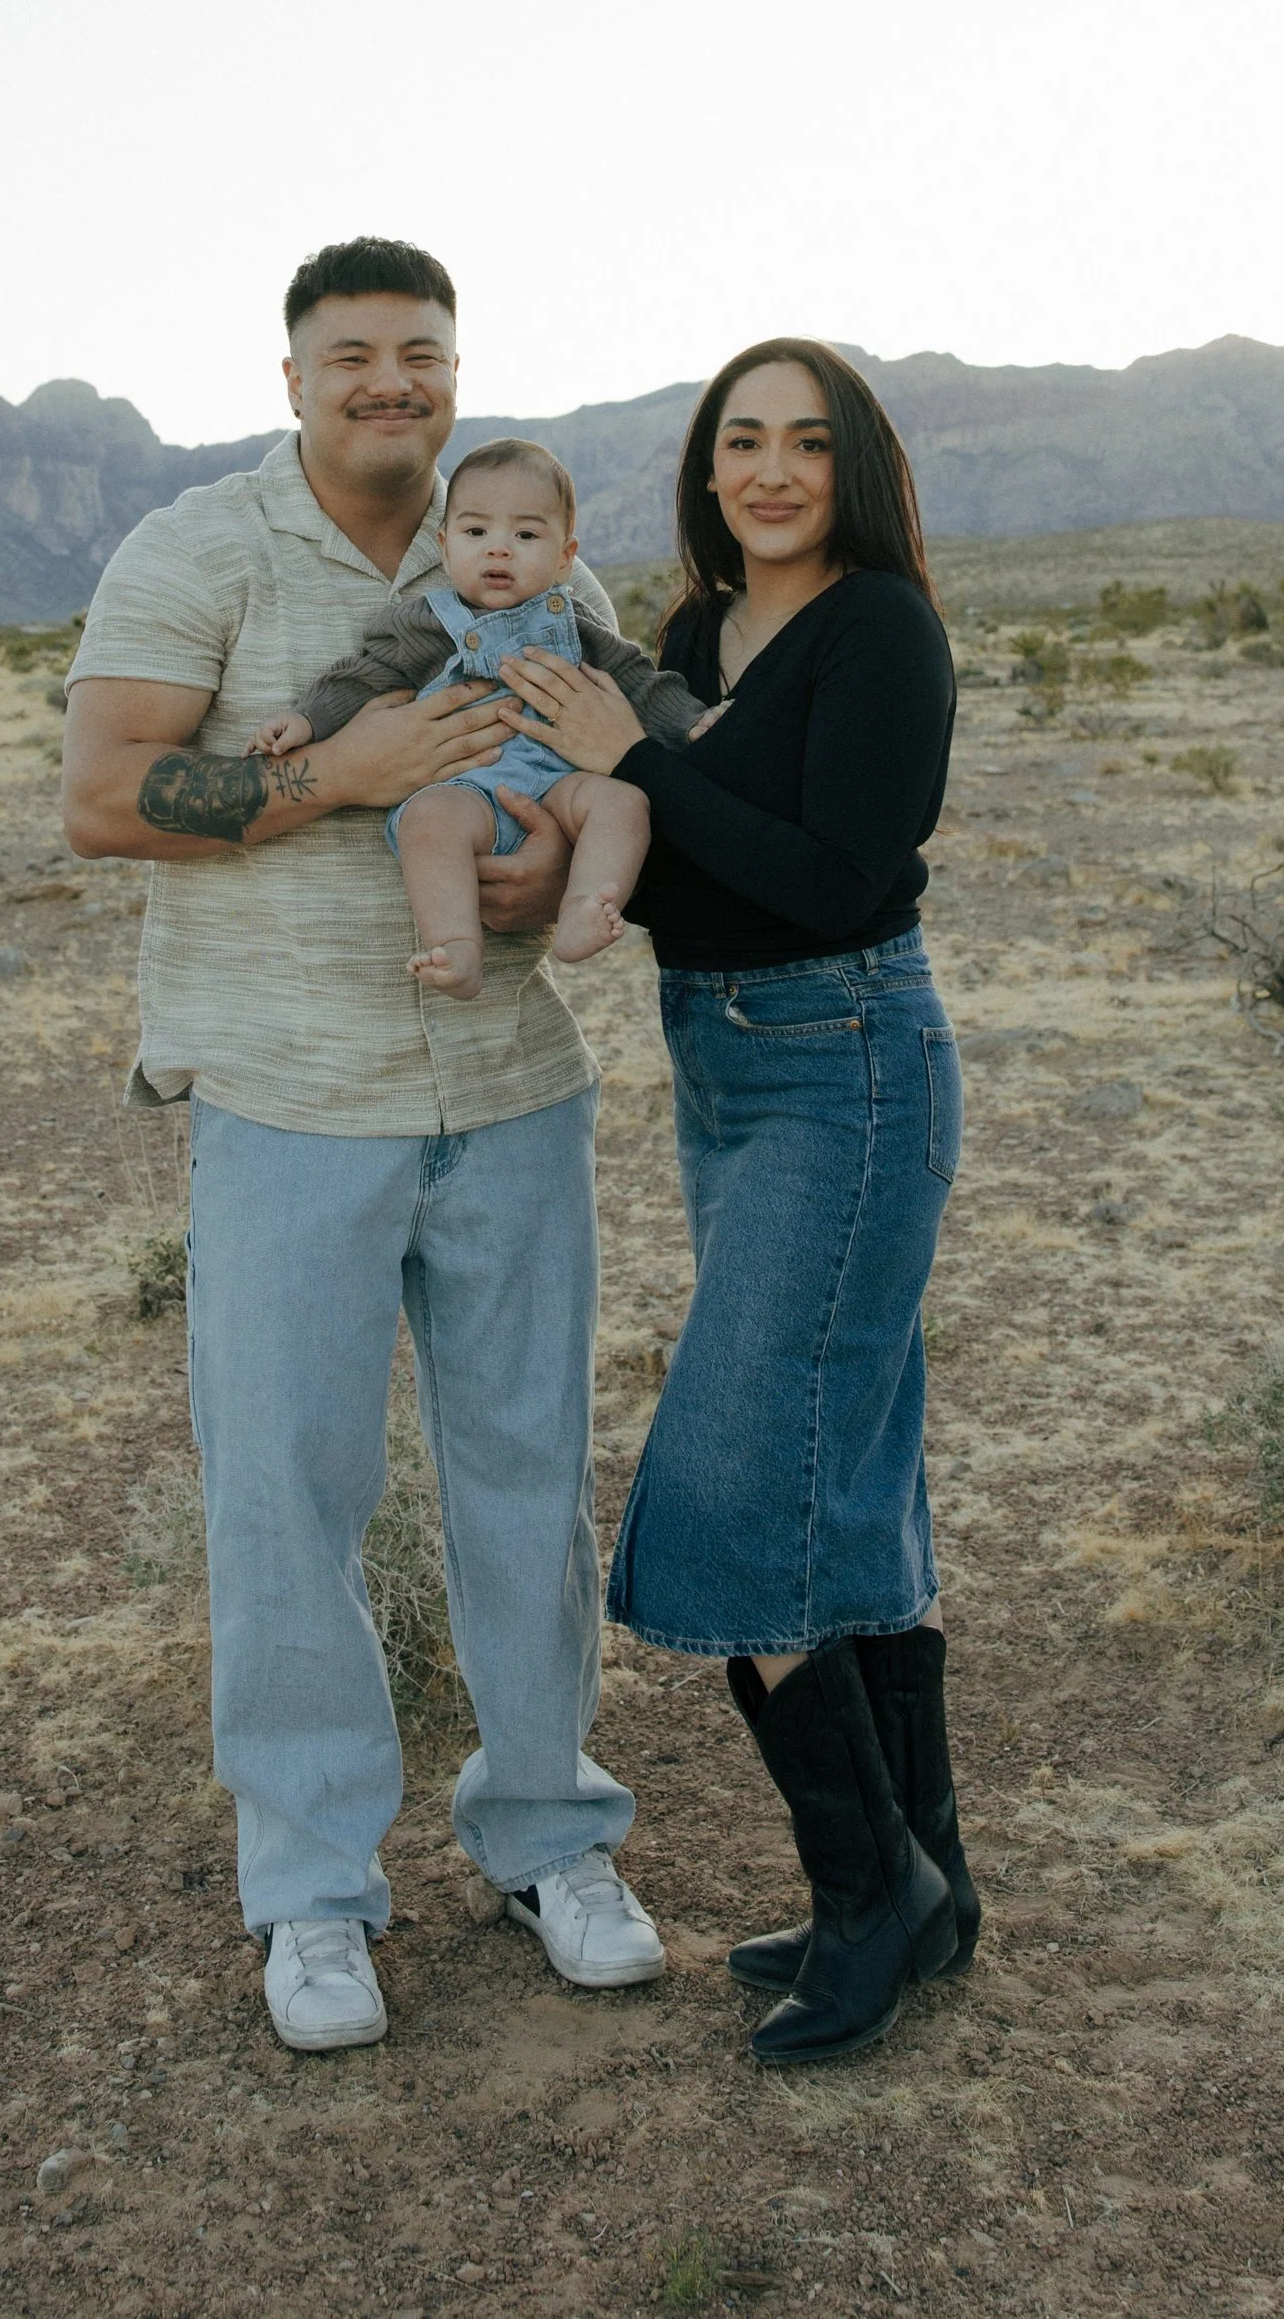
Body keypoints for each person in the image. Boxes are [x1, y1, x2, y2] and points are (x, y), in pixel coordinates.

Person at [60, 239, 665, 2056]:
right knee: (286, 1497)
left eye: (422, 353)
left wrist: (547, 868)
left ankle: (551, 1834)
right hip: (287, 1099)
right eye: (354, 356)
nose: (391, 382)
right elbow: (101, 798)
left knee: (527, 1479)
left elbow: (616, 764)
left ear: (455, 374)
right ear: (295, 378)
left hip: (511, 1092)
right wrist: (338, 772)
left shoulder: (533, 550)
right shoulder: (200, 551)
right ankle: (314, 1888)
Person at [489, 337, 978, 2069]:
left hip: (848, 1058)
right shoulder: (693, 639)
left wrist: (642, 758)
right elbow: (671, 848)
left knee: (731, 1483)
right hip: (726, 1063)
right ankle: (931, 1886)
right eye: (742, 440)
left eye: (807, 442)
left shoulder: (881, 631)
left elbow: (835, 876)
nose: (771, 470)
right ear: (707, 467)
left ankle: (871, 1895)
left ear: (856, 466)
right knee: (847, 1471)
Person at [250, 436, 712, 999]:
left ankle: (583, 906)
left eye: (526, 536)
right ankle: (456, 945)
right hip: (467, 787)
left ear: (565, 557)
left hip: (559, 783)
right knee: (428, 822)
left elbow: (637, 681)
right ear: (445, 548)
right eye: (476, 533)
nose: (499, 550)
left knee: (624, 802)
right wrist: (306, 720)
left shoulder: (576, 625)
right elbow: (364, 676)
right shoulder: (426, 623)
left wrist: (690, 720)